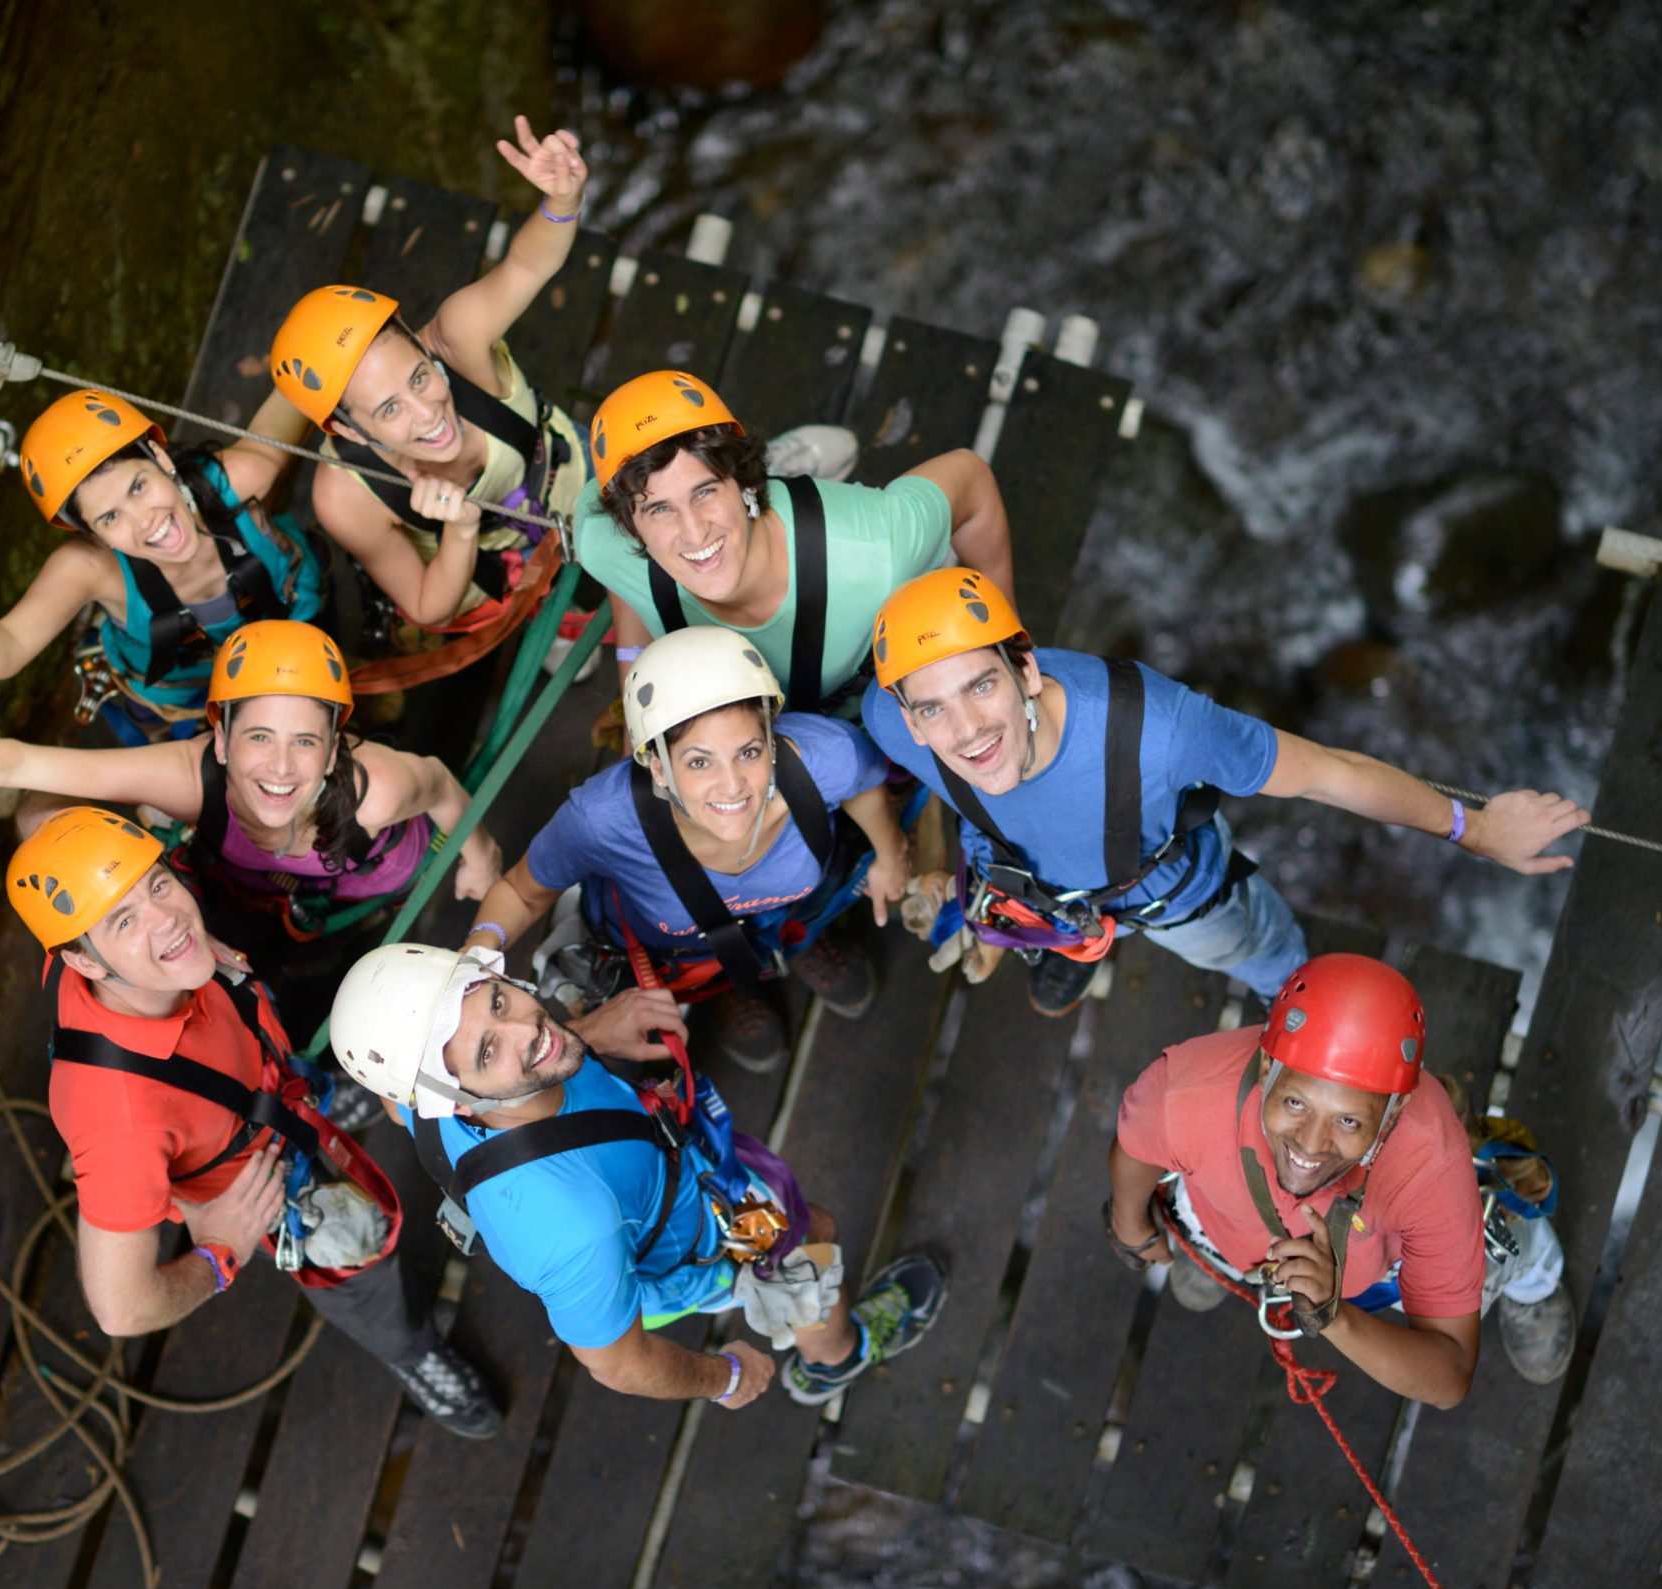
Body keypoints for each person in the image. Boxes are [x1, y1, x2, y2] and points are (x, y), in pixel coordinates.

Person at [863, 568, 1589, 1014]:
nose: (968, 732)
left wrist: (1474, 827)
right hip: (1026, 875)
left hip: (1173, 895)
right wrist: (895, 849)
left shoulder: (1165, 732)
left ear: (1024, 672)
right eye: (933, 708)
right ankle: (1064, 942)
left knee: (1255, 949)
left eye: (981, 686)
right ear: (909, 718)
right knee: (1032, 896)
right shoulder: (891, 726)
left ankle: (1289, 994)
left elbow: (1331, 773)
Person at [0, 806, 502, 1435]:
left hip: (269, 1088)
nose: (170, 919)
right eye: (123, 921)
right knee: (356, 1262)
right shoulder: (119, 1121)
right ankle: (411, 1349)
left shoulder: (147, 954)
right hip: (260, 1181)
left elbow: (33, 817)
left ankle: (317, 1106)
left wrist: (168, 948)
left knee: (310, 1091)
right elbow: (120, 1308)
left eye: (157, 884)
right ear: (86, 964)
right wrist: (220, 1252)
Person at [326, 941, 948, 1408]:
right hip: (700, 1243)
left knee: (813, 1225)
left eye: (497, 1000)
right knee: (813, 1239)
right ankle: (835, 1358)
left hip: (663, 1171)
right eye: (488, 1051)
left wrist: (588, 1034)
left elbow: (490, 1052)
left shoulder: (411, 1085)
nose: (528, 1029)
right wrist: (725, 1377)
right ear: (453, 1100)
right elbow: (618, 1364)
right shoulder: (571, 1228)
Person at [0, 620, 499, 986]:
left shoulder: (380, 790)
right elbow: (25, 761)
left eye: (305, 743)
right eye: (257, 738)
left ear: (338, 745)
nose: (280, 769)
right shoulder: (188, 779)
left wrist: (479, 860)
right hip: (252, 896)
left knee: (343, 941)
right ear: (217, 737)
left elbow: (439, 780)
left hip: (384, 874)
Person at [1105, 953, 1575, 1397]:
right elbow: (1137, 1147)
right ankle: (1224, 1257)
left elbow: (1450, 1373)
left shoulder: (1431, 1163)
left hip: (1381, 1263)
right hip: (1231, 1222)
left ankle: (1535, 1283)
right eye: (1294, 1103)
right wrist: (1132, 1228)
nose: (1310, 1144)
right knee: (1202, 1205)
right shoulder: (1185, 1094)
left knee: (1498, 1242)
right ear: (1268, 1066)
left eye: (1348, 1121)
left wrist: (1334, 1316)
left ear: (1393, 1115)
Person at [461, 627, 910, 1076]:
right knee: (708, 966)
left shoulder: (825, 757)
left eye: (749, 752)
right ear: (658, 766)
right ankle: (725, 989)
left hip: (790, 910)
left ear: (772, 741)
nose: (733, 785)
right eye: (699, 762)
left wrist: (891, 856)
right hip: (678, 955)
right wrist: (472, 970)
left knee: (798, 919)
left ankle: (797, 946)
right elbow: (522, 892)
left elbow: (865, 785)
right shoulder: (602, 819)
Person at [267, 118, 593, 642]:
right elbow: (427, 605)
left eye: (419, 377)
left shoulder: (458, 339)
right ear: (348, 430)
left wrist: (562, 199)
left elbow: (527, 267)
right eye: (389, 409)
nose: (429, 414)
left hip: (574, 477)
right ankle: (559, 624)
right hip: (494, 569)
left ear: (422, 346)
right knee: (561, 621)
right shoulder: (346, 496)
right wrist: (461, 531)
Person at [573, 370, 1016, 716]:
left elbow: (970, 477)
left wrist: (1008, 635)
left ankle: (773, 474)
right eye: (659, 509)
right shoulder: (601, 539)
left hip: (857, 672)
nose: (693, 532)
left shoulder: (877, 546)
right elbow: (624, 575)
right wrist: (637, 690)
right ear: (632, 528)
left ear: (744, 480)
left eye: (705, 491)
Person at [0, 385, 323, 743]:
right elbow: (10, 644)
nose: (146, 522)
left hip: (302, 621)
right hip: (191, 698)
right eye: (110, 517)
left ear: (162, 459)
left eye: (138, 487)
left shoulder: (241, 477)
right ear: (92, 534)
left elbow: (302, 384)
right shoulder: (90, 567)